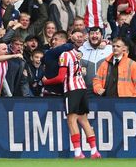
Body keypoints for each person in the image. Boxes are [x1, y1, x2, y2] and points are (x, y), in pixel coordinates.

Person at [43, 29, 101, 159]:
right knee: (84, 120)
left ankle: (77, 152)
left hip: (72, 89)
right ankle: (94, 151)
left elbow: (61, 77)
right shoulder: (77, 54)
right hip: (83, 88)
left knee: (71, 120)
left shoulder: (65, 55)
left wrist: (47, 81)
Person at [79, 27, 112, 95]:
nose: (94, 36)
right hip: (86, 90)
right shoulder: (81, 50)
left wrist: (107, 42)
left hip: (105, 90)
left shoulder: (109, 49)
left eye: (97, 33)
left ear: (102, 36)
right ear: (88, 36)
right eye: (92, 34)